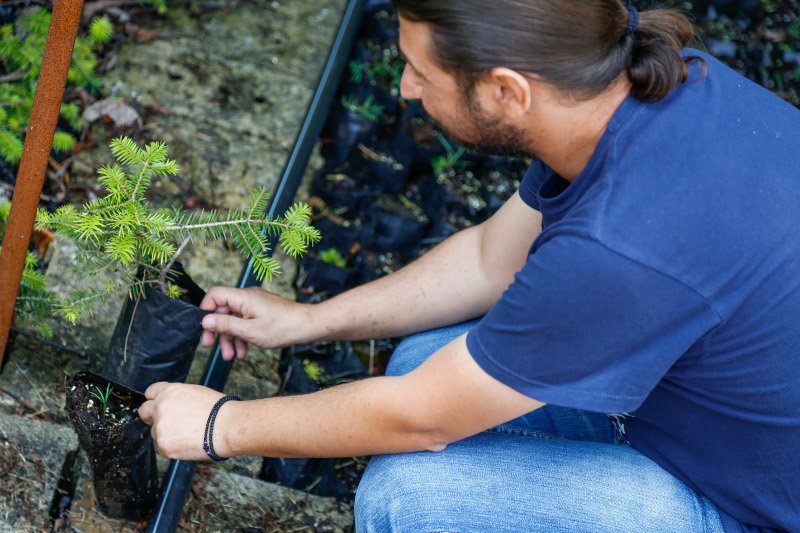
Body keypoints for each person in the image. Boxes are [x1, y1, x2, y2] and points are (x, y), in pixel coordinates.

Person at [138, 1, 800, 531]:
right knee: (423, 356)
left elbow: (421, 418)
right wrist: (308, 321)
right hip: (720, 425)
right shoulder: (650, 88)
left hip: (754, 507)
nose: (404, 87)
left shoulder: (620, 245)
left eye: (421, 72)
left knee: (411, 496)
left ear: (507, 91)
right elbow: (491, 258)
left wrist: (221, 424)